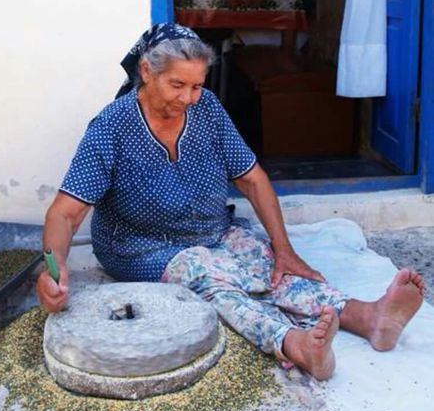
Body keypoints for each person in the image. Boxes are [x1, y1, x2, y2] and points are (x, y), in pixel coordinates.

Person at [37, 23, 424, 380]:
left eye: (196, 86)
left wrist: (284, 249)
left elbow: (253, 179)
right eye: (177, 85)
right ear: (146, 71)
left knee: (264, 261)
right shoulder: (112, 127)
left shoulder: (206, 109)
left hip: (212, 230)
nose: (189, 98)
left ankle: (367, 316)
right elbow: (65, 214)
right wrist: (55, 270)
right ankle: (292, 343)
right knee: (208, 274)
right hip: (140, 246)